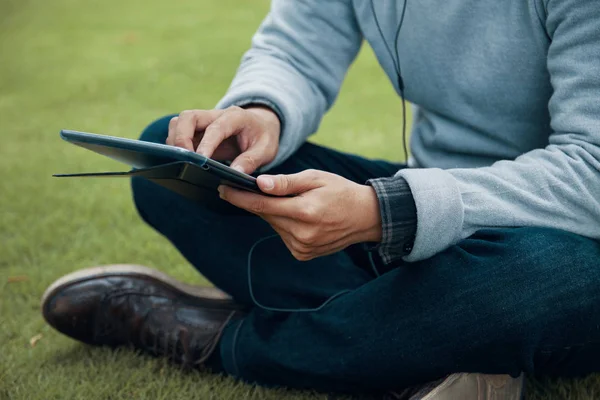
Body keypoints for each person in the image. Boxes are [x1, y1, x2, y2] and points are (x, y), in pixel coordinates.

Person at [42, 0, 600, 398]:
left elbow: (591, 171)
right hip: (425, 197)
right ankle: (432, 334)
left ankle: (225, 339)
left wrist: (390, 211)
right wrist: (260, 113)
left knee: (554, 278)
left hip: (561, 236)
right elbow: (295, 49)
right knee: (171, 166)